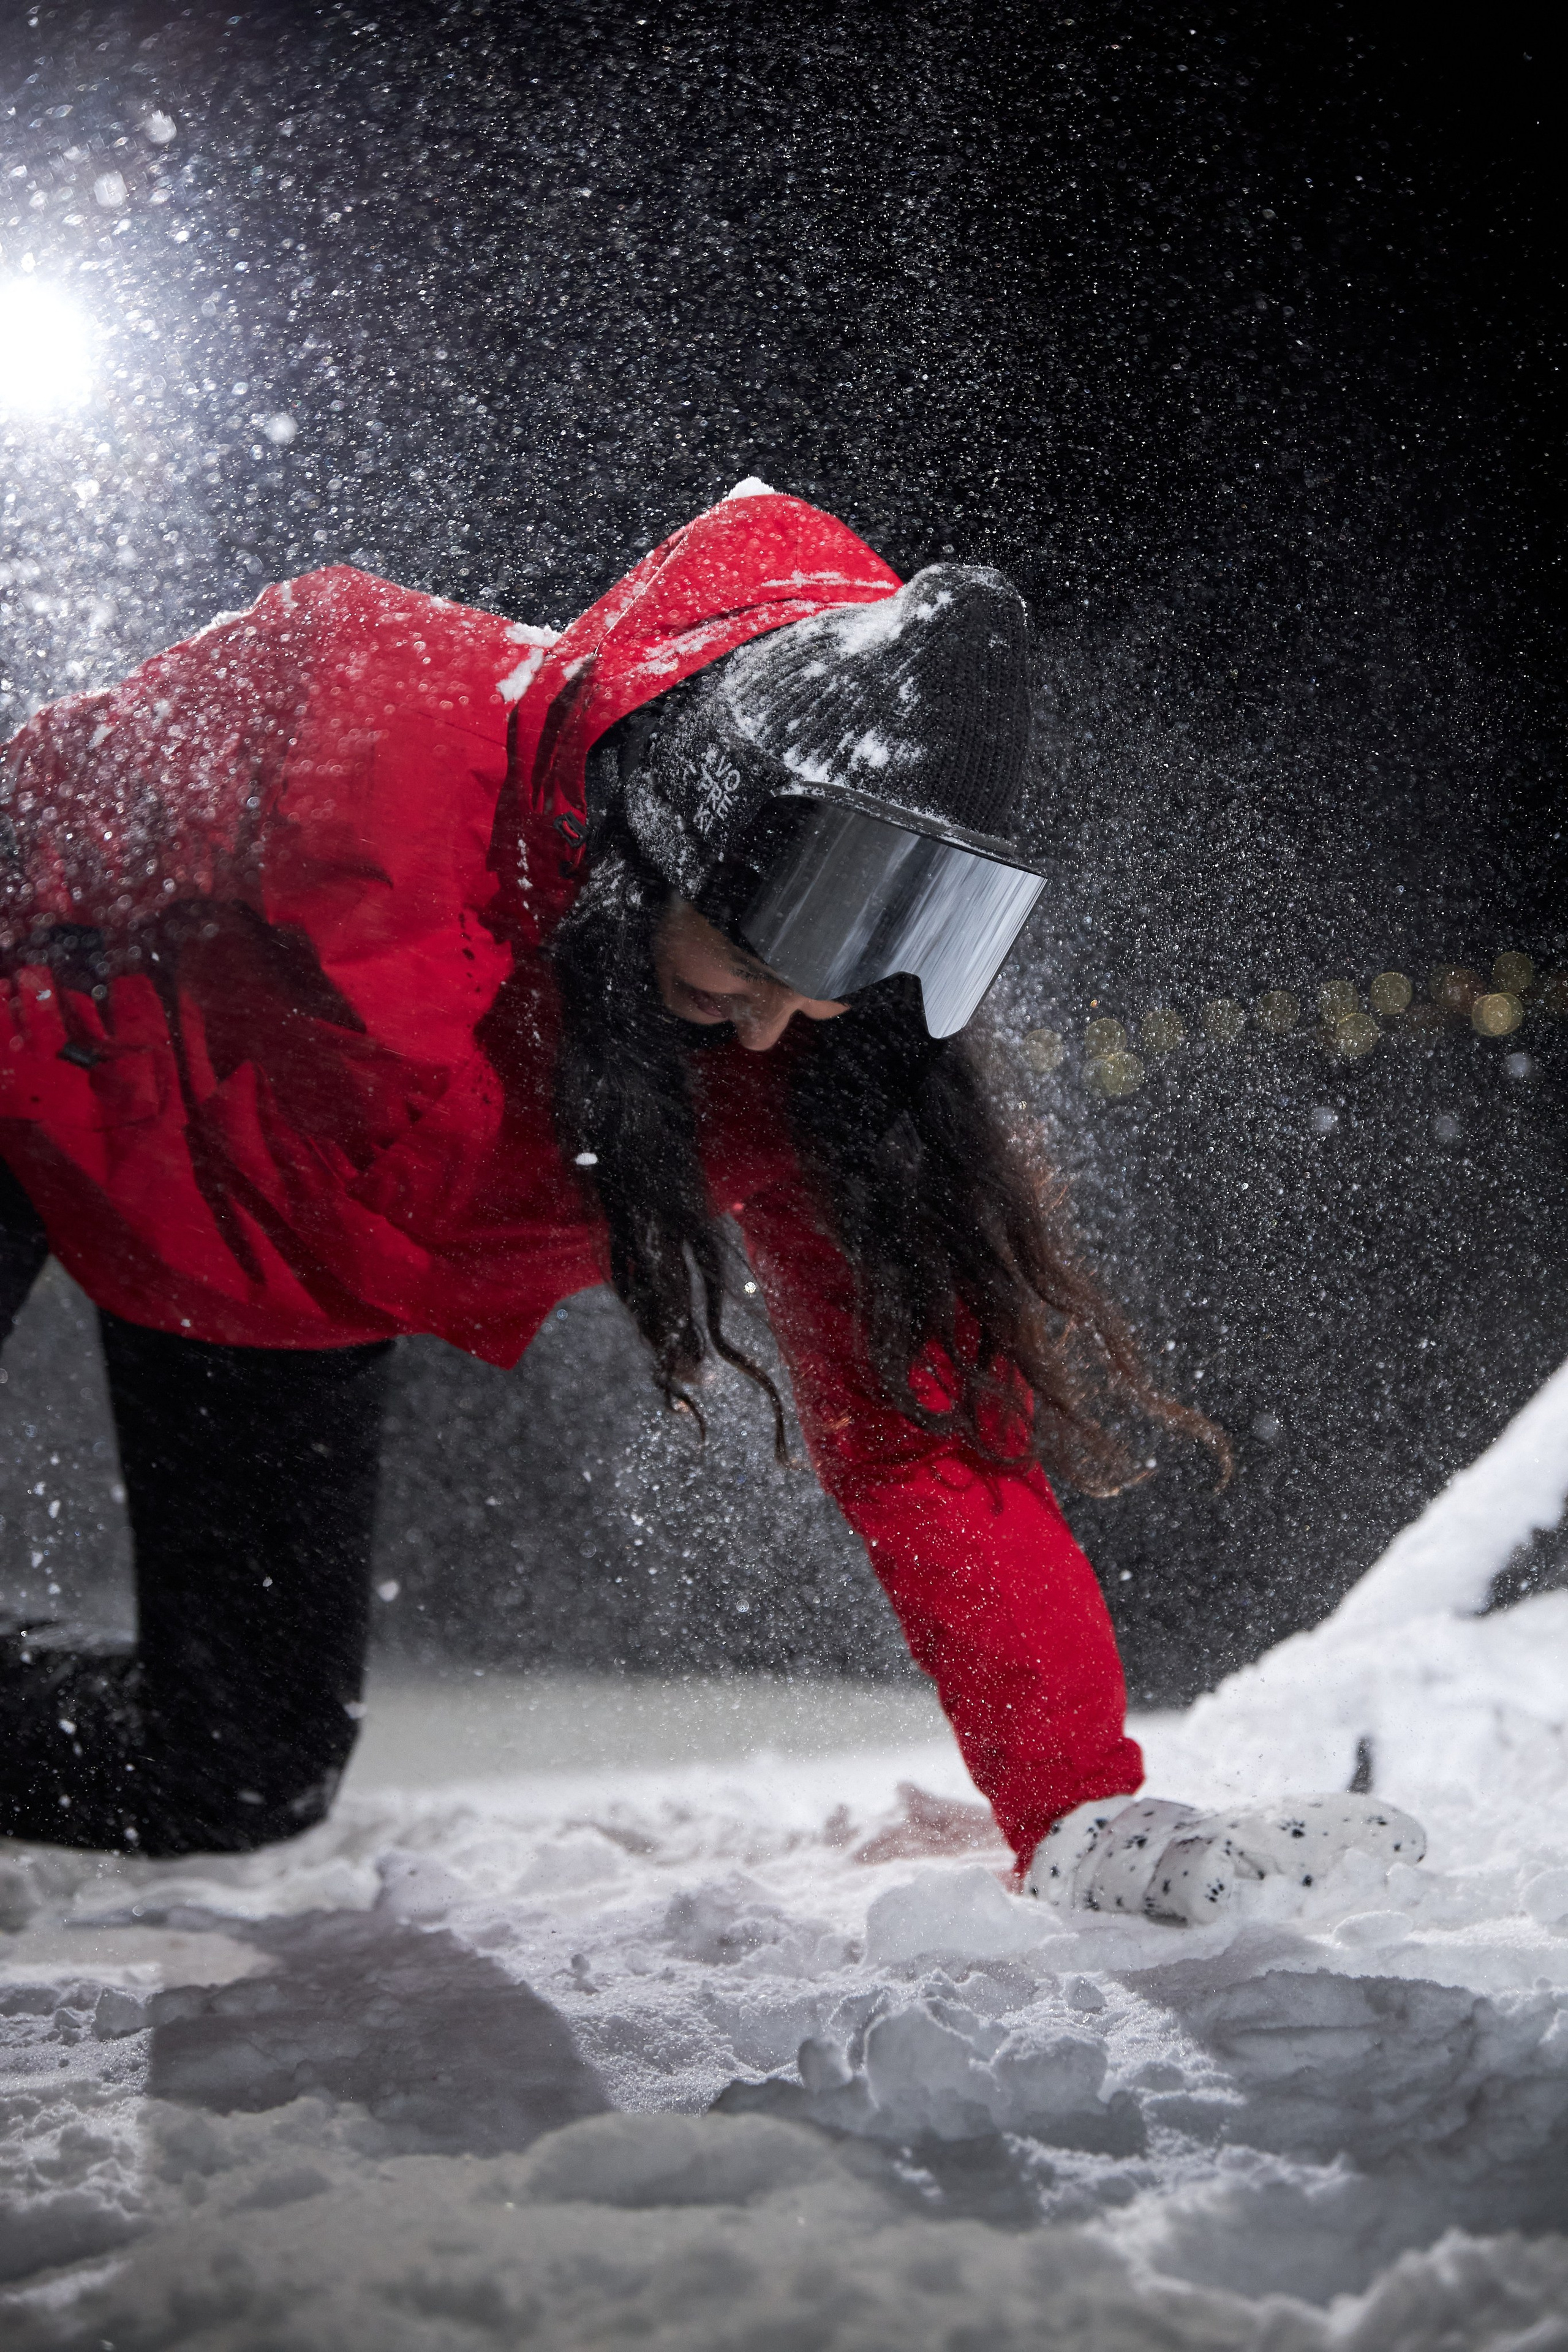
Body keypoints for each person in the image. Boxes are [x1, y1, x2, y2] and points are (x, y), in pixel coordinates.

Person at [0, 484, 1421, 1917]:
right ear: (659, 847)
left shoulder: (801, 1077)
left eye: (813, 997)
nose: (763, 1031)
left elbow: (919, 1437)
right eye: (739, 972)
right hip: (38, 1091)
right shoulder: (365, 708)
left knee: (238, 1771)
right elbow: (35, 811)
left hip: (254, 1276)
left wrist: (1075, 1808)